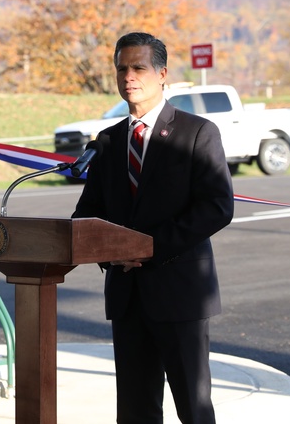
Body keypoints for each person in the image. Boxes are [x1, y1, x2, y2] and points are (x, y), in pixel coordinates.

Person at [72, 31, 234, 424]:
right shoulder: (107, 143)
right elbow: (86, 216)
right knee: (135, 410)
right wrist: (111, 254)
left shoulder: (197, 132)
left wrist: (147, 248)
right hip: (128, 297)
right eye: (122, 68)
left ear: (162, 74)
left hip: (180, 294)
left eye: (139, 67)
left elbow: (217, 206)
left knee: (193, 410)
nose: (129, 76)